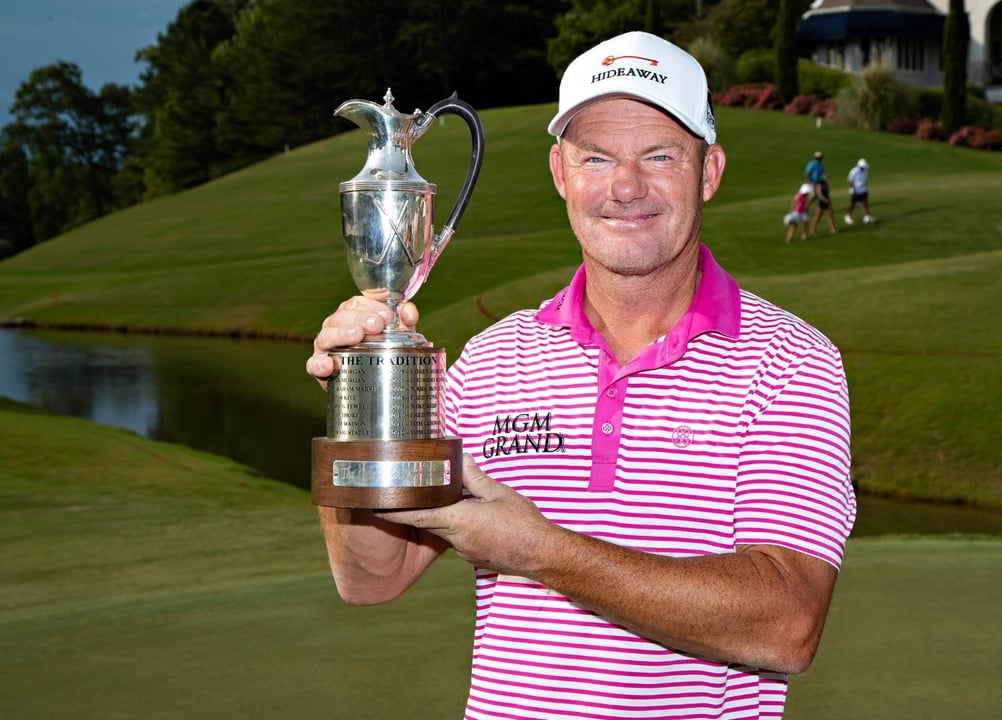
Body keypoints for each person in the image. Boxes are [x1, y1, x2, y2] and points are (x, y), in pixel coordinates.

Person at [307, 30, 855, 720]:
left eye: (659, 155)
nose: (625, 187)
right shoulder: (491, 361)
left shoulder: (790, 361)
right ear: (561, 173)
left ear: (709, 171)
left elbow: (786, 624)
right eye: (596, 156)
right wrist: (360, 417)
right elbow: (370, 576)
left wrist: (541, 551)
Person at [844, 158, 874, 225]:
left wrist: (865, 188)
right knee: (853, 204)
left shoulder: (865, 171)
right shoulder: (854, 171)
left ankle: (866, 217)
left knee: (865, 203)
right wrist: (853, 190)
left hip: (863, 190)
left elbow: (865, 180)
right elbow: (850, 181)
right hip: (855, 191)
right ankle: (848, 216)